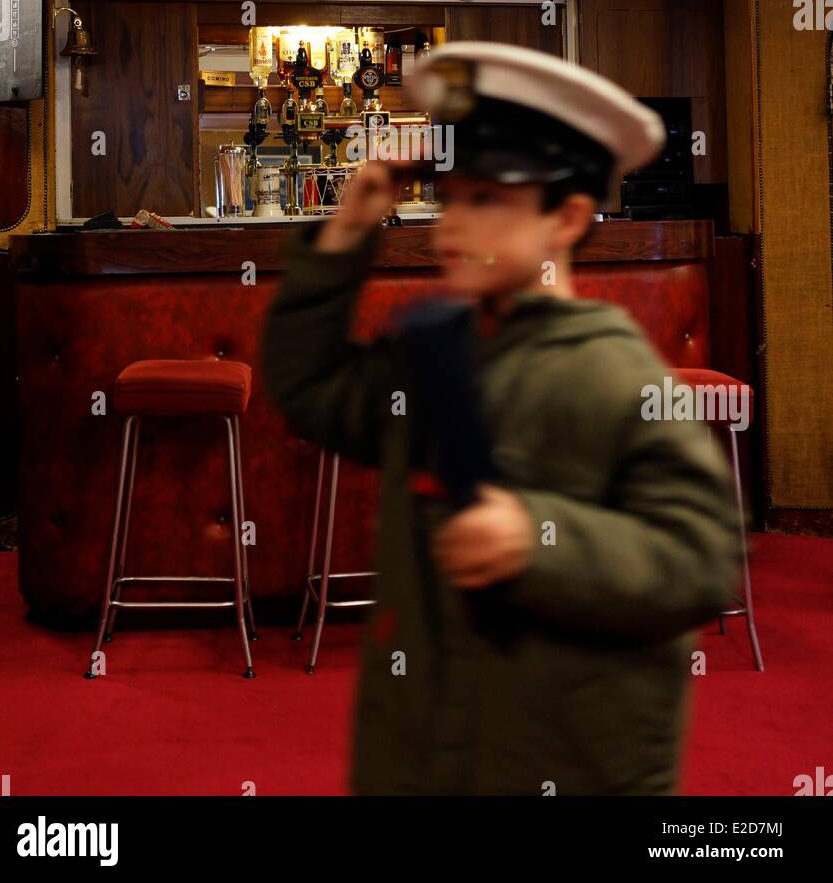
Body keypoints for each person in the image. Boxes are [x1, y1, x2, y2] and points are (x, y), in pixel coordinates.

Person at [263, 43, 742, 796]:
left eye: (488, 199)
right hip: (420, 752)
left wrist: (540, 539)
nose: (454, 223)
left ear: (568, 217)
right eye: (450, 196)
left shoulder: (617, 374)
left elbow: (701, 558)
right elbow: (311, 392)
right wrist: (348, 229)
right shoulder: (434, 350)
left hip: (566, 763)